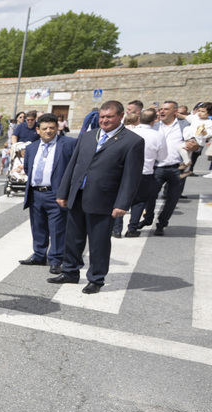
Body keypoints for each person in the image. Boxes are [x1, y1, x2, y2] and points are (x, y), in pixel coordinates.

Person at [49, 100, 144, 293]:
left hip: (104, 200)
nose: (105, 120)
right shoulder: (88, 136)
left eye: (109, 116)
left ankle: (96, 278)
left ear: (120, 116)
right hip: (78, 196)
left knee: (99, 242)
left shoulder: (132, 141)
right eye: (102, 116)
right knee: (73, 238)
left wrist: (122, 204)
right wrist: (63, 191)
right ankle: (70, 272)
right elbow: (73, 165)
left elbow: (131, 177)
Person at [19, 114, 77, 274]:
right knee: (38, 226)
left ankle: (56, 259)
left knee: (57, 228)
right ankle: (39, 255)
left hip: (56, 194)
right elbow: (26, 168)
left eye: (52, 127)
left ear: (57, 128)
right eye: (44, 128)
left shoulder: (68, 144)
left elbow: (75, 169)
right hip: (36, 193)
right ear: (38, 130)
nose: (48, 131)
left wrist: (67, 192)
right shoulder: (31, 148)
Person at [143, 100, 193, 235]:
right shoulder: (154, 126)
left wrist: (194, 145)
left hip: (177, 168)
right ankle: (148, 218)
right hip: (157, 167)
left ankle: (161, 224)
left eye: (166, 109)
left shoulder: (185, 125)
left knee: (172, 199)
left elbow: (196, 142)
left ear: (175, 112)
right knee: (150, 195)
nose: (162, 111)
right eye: (161, 109)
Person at [123, 108, 169, 234]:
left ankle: (116, 229)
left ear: (139, 119)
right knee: (139, 201)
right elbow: (162, 156)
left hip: (126, 171)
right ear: (155, 120)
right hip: (145, 171)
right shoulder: (158, 135)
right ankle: (132, 229)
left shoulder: (129, 132)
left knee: (121, 199)